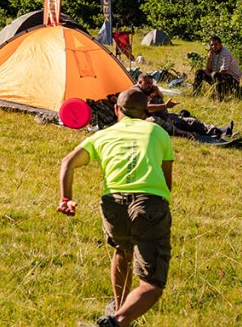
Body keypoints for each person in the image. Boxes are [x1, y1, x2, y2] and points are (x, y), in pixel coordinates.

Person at [57, 88, 173, 327]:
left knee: (122, 248)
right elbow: (167, 181)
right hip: (149, 203)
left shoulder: (102, 135)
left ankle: (120, 307)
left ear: (116, 109)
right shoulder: (158, 132)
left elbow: (68, 161)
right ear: (145, 112)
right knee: (152, 284)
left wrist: (66, 198)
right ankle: (117, 321)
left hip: (113, 204)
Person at [138, 74, 233, 140]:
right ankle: (183, 133)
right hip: (153, 122)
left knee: (191, 121)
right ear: (140, 82)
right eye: (147, 83)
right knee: (159, 121)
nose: (150, 86)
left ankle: (221, 130)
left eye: (151, 83)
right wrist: (165, 105)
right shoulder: (136, 94)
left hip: (166, 117)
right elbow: (147, 107)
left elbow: (161, 97)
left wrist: (157, 92)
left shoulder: (149, 90)